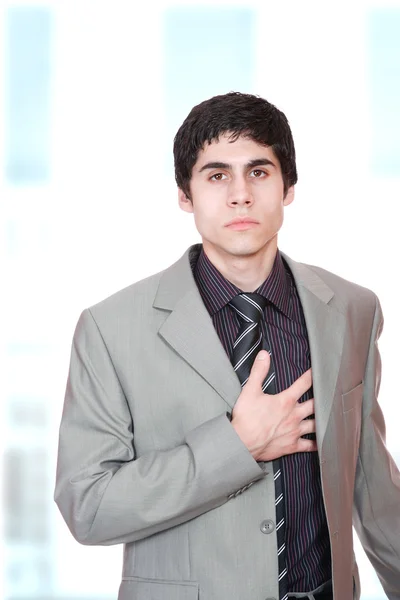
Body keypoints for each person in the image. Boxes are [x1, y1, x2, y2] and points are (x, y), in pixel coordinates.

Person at [54, 92, 400, 600]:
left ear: (288, 187)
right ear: (185, 195)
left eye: (259, 172)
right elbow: (88, 505)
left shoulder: (351, 309)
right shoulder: (109, 329)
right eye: (217, 176)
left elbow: (373, 487)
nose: (240, 195)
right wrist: (236, 446)